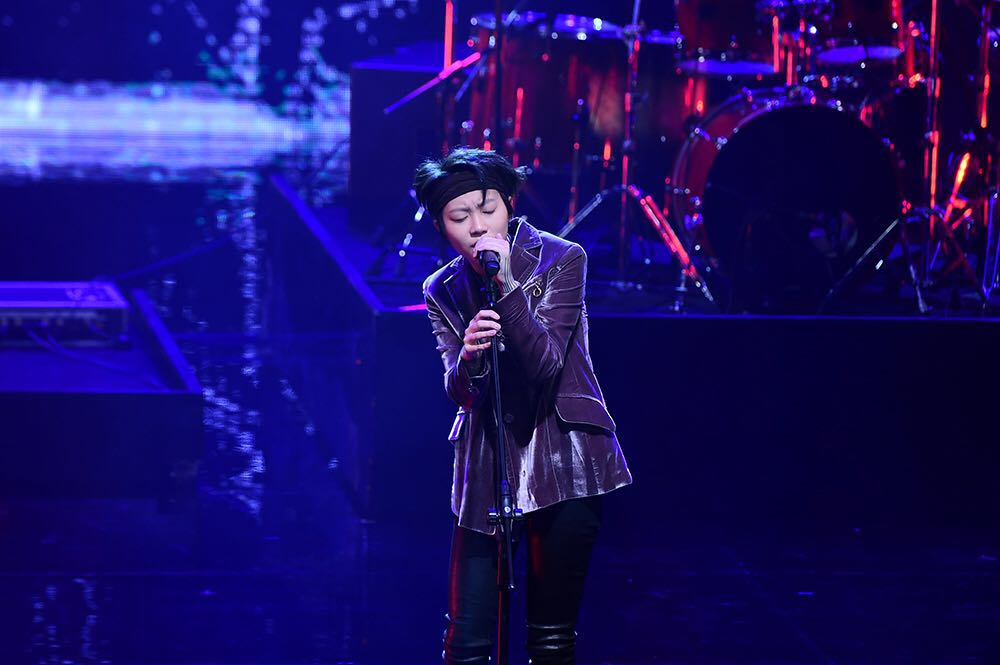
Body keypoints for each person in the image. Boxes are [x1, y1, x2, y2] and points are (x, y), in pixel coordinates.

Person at [415, 147, 632, 664]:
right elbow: (459, 391)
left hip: (566, 458)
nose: (477, 227)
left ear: (509, 204)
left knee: (551, 639)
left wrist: (508, 288)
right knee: (466, 641)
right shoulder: (442, 289)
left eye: (487, 209)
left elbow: (545, 366)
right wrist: (468, 359)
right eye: (459, 217)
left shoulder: (563, 258)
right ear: (442, 227)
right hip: (488, 464)